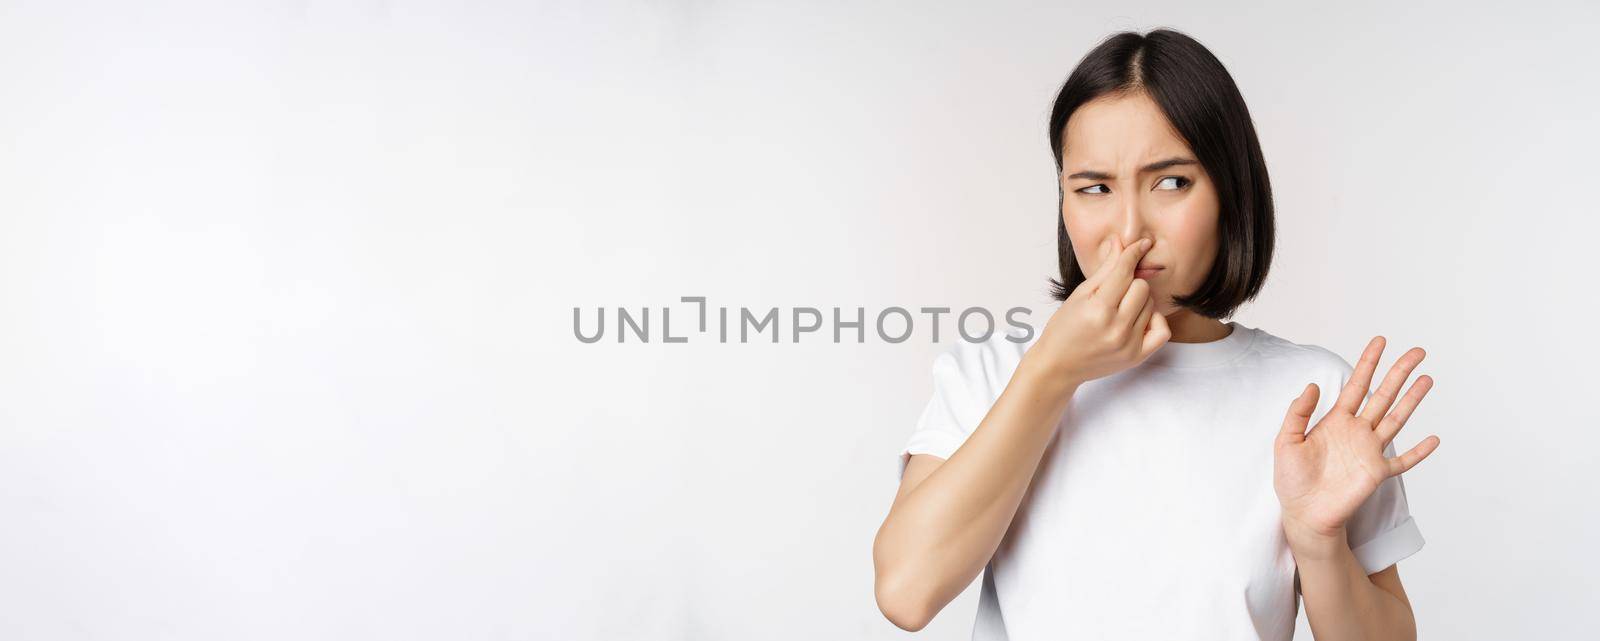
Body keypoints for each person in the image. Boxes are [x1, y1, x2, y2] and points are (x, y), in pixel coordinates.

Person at [872, 28, 1441, 640]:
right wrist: (1053, 371)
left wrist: (1319, 542)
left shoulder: (1314, 398)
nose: (1129, 229)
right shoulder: (992, 371)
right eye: (1094, 188)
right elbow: (907, 593)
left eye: (1171, 182)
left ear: (1231, 190)